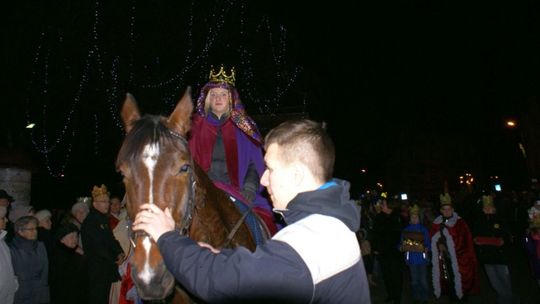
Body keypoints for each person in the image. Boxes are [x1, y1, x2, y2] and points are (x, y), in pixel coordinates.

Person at [133, 119, 371, 303]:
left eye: (270, 169)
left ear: (297, 175)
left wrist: (167, 236)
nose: (264, 179)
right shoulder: (334, 224)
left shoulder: (304, 247)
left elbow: (222, 283)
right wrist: (217, 256)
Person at [188, 65, 278, 237]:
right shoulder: (196, 126)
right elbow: (188, 160)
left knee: (264, 225)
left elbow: (255, 162)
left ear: (231, 98)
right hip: (202, 191)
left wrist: (250, 188)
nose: (218, 98)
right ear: (207, 98)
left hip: (237, 190)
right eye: (213, 94)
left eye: (223, 94)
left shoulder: (244, 126)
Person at [430, 192, 479, 301]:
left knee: (461, 282)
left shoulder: (460, 223)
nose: (447, 212)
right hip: (444, 259)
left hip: (460, 259)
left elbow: (465, 241)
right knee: (449, 282)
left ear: (452, 209)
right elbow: (432, 238)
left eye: (449, 209)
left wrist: (453, 249)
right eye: (444, 209)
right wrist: (439, 245)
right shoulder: (437, 223)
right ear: (441, 211)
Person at [81, 185, 124, 304]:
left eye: (108, 201)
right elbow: (97, 247)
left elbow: (111, 239)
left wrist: (120, 252)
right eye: (103, 202)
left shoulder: (103, 220)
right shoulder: (90, 221)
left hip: (106, 268)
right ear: (94, 204)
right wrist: (115, 258)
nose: (107, 205)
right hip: (97, 271)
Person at [473, 194, 517, 303]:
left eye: (490, 208)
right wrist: (478, 242)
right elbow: (475, 237)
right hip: (487, 257)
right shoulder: (479, 222)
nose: (488, 210)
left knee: (505, 280)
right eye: (485, 208)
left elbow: (506, 237)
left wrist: (502, 241)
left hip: (500, 257)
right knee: (494, 281)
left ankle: (509, 299)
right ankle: (504, 299)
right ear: (483, 209)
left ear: (494, 209)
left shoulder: (500, 220)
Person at [9, 215, 49, 304]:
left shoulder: (40, 246)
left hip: (40, 292)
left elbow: (45, 271)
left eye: (36, 228)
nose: (35, 232)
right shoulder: (12, 250)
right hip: (21, 295)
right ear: (20, 231)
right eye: (31, 229)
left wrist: (44, 291)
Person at [372, 198, 404, 304]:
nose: (382, 206)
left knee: (396, 276)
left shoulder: (398, 218)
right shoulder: (378, 218)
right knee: (386, 275)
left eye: (384, 204)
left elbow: (401, 235)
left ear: (390, 206)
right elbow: (374, 234)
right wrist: (375, 248)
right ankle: (390, 294)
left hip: (395, 253)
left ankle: (397, 297)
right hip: (383, 252)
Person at [49, 223, 88, 304]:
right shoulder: (58, 256)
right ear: (62, 239)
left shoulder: (73, 253)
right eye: (71, 237)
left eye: (76, 236)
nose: (75, 239)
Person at [400, 204, 430, 304]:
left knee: (423, 281)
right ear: (410, 218)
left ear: (419, 218)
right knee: (414, 281)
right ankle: (417, 298)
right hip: (412, 260)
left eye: (416, 217)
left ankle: (424, 298)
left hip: (422, 259)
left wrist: (427, 248)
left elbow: (428, 243)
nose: (414, 219)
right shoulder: (406, 230)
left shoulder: (423, 229)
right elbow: (401, 243)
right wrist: (400, 247)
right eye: (412, 217)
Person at [0, 206, 18, 304]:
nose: (6, 220)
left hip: (7, 295)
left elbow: (8, 267)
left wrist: (13, 282)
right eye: (2, 218)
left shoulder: (3, 242)